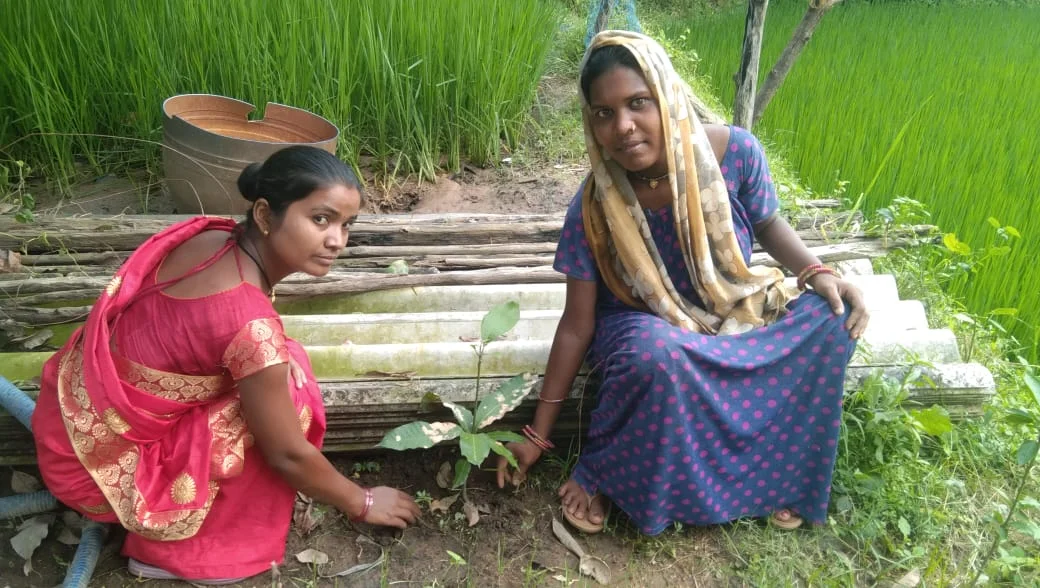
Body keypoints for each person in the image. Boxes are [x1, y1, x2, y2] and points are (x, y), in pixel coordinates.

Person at [497, 31, 869, 535]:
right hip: (645, 325)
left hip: (731, 304)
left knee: (832, 317)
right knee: (659, 357)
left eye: (638, 102)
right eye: (604, 113)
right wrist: (538, 435)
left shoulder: (735, 153)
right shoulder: (594, 207)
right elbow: (577, 325)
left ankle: (776, 478)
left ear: (667, 96)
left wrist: (819, 273)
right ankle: (612, 474)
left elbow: (768, 224)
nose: (623, 126)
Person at [31, 146, 421, 583]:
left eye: (346, 224)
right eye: (320, 219)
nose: (337, 240)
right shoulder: (250, 327)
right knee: (292, 397)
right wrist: (361, 502)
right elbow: (288, 455)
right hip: (95, 468)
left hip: (68, 412)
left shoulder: (213, 237)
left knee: (280, 361)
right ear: (265, 214)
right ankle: (173, 554)